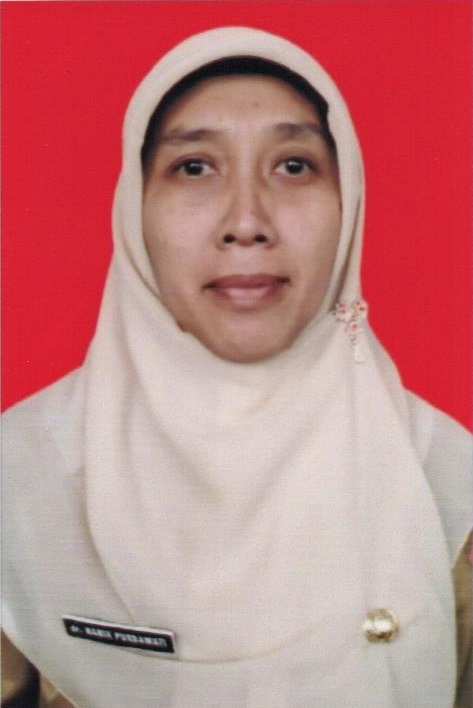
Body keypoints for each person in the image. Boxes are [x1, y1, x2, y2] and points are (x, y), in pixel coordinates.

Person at [2, 26, 471, 708]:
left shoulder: (449, 489)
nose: (247, 221)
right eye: (194, 167)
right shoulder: (19, 481)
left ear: (348, 206)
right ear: (134, 211)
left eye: (294, 166)